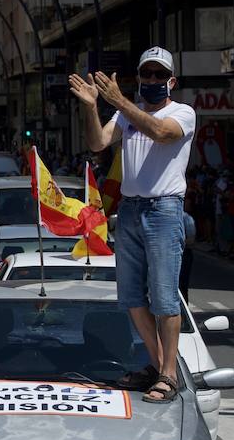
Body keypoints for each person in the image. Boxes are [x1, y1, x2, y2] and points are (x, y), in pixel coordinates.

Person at [69, 46, 195, 404]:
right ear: (139, 78)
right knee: (130, 297)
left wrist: (120, 102)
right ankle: (159, 367)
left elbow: (161, 133)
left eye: (159, 75)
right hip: (130, 210)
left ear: (171, 80)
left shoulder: (182, 112)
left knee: (164, 296)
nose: (152, 80)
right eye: (147, 74)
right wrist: (92, 106)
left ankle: (169, 372)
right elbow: (98, 143)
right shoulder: (128, 114)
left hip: (164, 210)